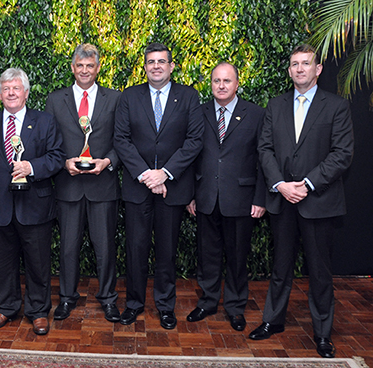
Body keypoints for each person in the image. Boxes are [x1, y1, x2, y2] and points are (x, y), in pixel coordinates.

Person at [250, 44, 354, 358]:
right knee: (280, 267)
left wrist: (306, 184)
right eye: (294, 64)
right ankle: (273, 321)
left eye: (305, 64)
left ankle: (323, 334)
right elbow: (264, 149)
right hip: (282, 201)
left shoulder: (336, 107)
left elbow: (342, 154)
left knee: (320, 272)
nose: (299, 69)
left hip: (318, 202)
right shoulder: (276, 105)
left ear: (318, 69)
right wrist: (280, 184)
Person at [113, 42, 204, 329]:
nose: (156, 66)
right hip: (138, 188)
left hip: (172, 188)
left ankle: (166, 307)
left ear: (171, 66)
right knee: (136, 250)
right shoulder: (129, 97)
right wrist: (145, 175)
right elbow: (121, 140)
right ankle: (134, 305)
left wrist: (164, 173)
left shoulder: (189, 97)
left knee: (167, 252)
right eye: (151, 62)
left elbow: (194, 141)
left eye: (161, 62)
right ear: (145, 66)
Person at [0, 68, 64, 335]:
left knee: (38, 263)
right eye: (6, 88)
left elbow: (57, 157)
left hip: (35, 206)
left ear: (26, 92)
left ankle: (38, 312)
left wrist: (31, 167)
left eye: (16, 88)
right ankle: (7, 307)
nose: (11, 93)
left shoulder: (45, 121)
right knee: (2, 264)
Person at [185, 62, 266, 331]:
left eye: (226, 81)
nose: (221, 86)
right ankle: (207, 302)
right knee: (207, 255)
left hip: (241, 199)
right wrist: (191, 194)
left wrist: (260, 198)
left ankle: (235, 307)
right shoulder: (199, 112)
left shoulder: (255, 114)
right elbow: (192, 155)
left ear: (237, 83)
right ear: (211, 84)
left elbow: (264, 158)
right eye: (216, 81)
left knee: (236, 256)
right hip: (206, 196)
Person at [45, 44, 121, 322]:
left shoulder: (115, 99)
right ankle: (66, 298)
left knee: (105, 248)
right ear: (73, 67)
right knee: (67, 248)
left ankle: (109, 299)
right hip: (69, 186)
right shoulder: (55, 100)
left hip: (103, 186)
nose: (85, 70)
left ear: (98, 68)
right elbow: (49, 141)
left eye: (90, 66)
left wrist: (108, 161)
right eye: (80, 65)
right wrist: (64, 162)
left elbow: (122, 140)